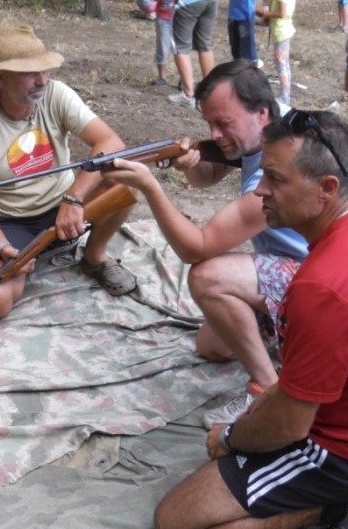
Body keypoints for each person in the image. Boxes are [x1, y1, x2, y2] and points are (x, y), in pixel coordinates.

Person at [152, 110, 348, 529]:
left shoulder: (323, 287)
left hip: (347, 452)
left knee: (176, 526)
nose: (260, 189)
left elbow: (292, 425)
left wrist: (232, 437)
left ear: (326, 190)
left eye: (275, 179)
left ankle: (336, 504)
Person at [103, 60, 308, 427]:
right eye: (209, 124)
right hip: (302, 267)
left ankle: (267, 390)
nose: (214, 133)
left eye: (223, 123)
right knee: (213, 345)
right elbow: (209, 175)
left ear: (260, 113)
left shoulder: (279, 172)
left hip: (319, 282)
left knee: (207, 276)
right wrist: (188, 164)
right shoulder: (281, 123)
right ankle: (291, 344)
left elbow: (195, 248)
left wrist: (150, 186)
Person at [0, 25, 138, 320]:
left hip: (67, 206)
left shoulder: (57, 95)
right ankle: (13, 262)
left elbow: (110, 142)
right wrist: (1, 246)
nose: (41, 80)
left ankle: (94, 257)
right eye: (29, 73)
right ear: (0, 78)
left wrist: (74, 199)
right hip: (12, 223)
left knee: (123, 180)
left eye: (44, 70)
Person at [258, 0, 297, 104]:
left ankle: (284, 97)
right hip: (285, 29)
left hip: (281, 30)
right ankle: (285, 93)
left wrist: (267, 13)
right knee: (284, 63)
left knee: (281, 65)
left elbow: (281, 12)